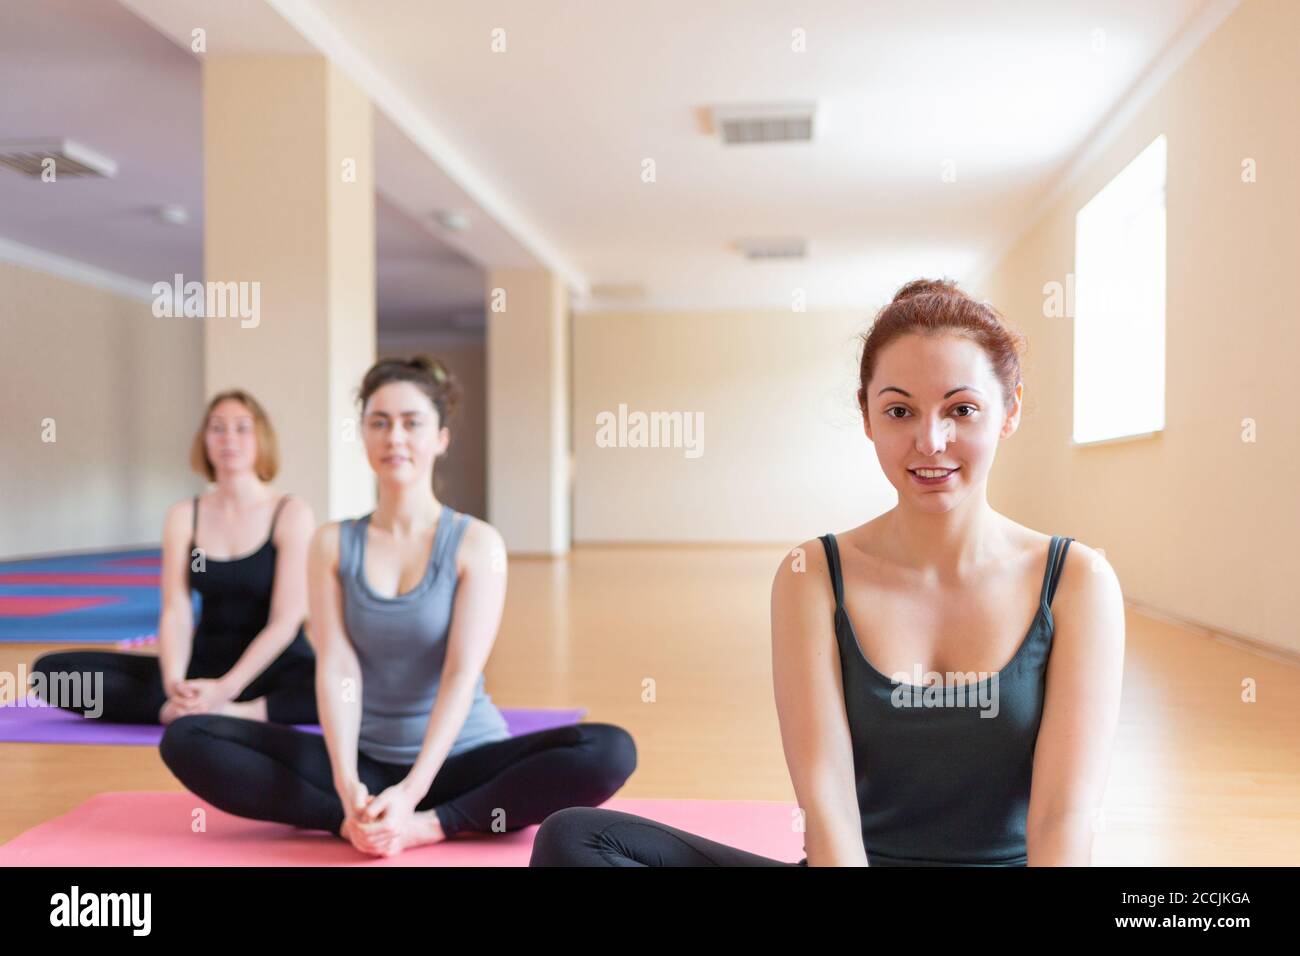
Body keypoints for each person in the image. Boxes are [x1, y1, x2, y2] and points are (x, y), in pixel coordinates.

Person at [530, 277, 1125, 866]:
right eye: (899, 410)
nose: (930, 440)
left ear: (1008, 411)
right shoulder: (811, 574)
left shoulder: (1076, 580)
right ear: (866, 416)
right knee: (577, 840)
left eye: (961, 409)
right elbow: (828, 805)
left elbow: (1061, 818)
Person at [160, 356, 636, 857]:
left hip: (461, 764)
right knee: (188, 738)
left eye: (412, 423)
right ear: (363, 435)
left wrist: (413, 798)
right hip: (363, 763)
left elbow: (460, 674)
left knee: (608, 749)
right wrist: (346, 784)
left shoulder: (477, 544)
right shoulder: (333, 543)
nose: (395, 438)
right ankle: (351, 820)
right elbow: (337, 665)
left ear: (441, 437)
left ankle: (432, 825)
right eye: (379, 423)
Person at [30, 390, 317, 725]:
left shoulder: (291, 513)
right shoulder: (185, 515)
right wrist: (174, 684)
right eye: (217, 428)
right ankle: (176, 709)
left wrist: (225, 690)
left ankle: (239, 712)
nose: (229, 439)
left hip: (277, 668)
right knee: (53, 674)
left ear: (262, 439)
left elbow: (286, 621)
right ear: (205, 440)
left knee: (345, 687)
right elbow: (176, 610)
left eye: (242, 428)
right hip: (205, 662)